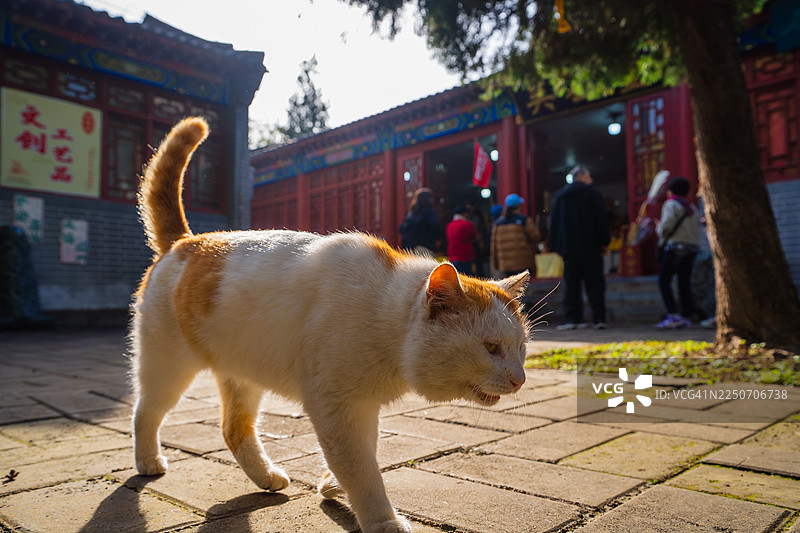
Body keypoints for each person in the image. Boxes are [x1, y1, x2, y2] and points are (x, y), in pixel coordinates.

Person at [549, 165, 611, 330]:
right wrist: (604, 242)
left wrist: (556, 244)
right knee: (595, 283)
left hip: (568, 248)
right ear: (582, 176)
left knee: (571, 284)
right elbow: (601, 220)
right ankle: (599, 318)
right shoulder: (592, 194)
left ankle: (572, 319)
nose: (591, 180)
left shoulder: (560, 197)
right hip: (591, 246)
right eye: (589, 176)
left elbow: (553, 224)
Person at [655, 176, 702, 329]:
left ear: (671, 190)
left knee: (664, 281)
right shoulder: (692, 208)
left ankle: (673, 314)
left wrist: (658, 228)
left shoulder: (671, 204)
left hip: (675, 248)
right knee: (684, 283)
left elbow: (666, 227)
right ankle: (686, 316)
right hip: (692, 249)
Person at [491, 193, 541, 277]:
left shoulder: (498, 223)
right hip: (523, 262)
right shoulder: (524, 220)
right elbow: (536, 237)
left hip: (505, 264)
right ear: (519, 206)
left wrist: (496, 264)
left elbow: (493, 246)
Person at [399, 188, 440, 256]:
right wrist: (438, 238)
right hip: (425, 247)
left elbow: (402, 229)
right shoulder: (430, 212)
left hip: (410, 249)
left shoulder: (412, 213)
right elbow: (435, 226)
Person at [446, 205, 479, 275]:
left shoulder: (449, 225)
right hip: (465, 257)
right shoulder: (468, 224)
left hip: (452, 257)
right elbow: (476, 238)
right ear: (464, 214)